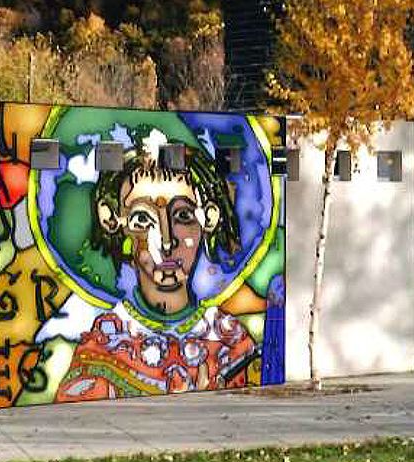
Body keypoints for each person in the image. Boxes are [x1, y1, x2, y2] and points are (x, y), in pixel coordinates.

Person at [46, 139, 260, 399]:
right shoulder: (105, 345)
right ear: (112, 221)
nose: (167, 241)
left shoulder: (230, 339)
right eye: (143, 220)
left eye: (183, 216)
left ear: (209, 219)